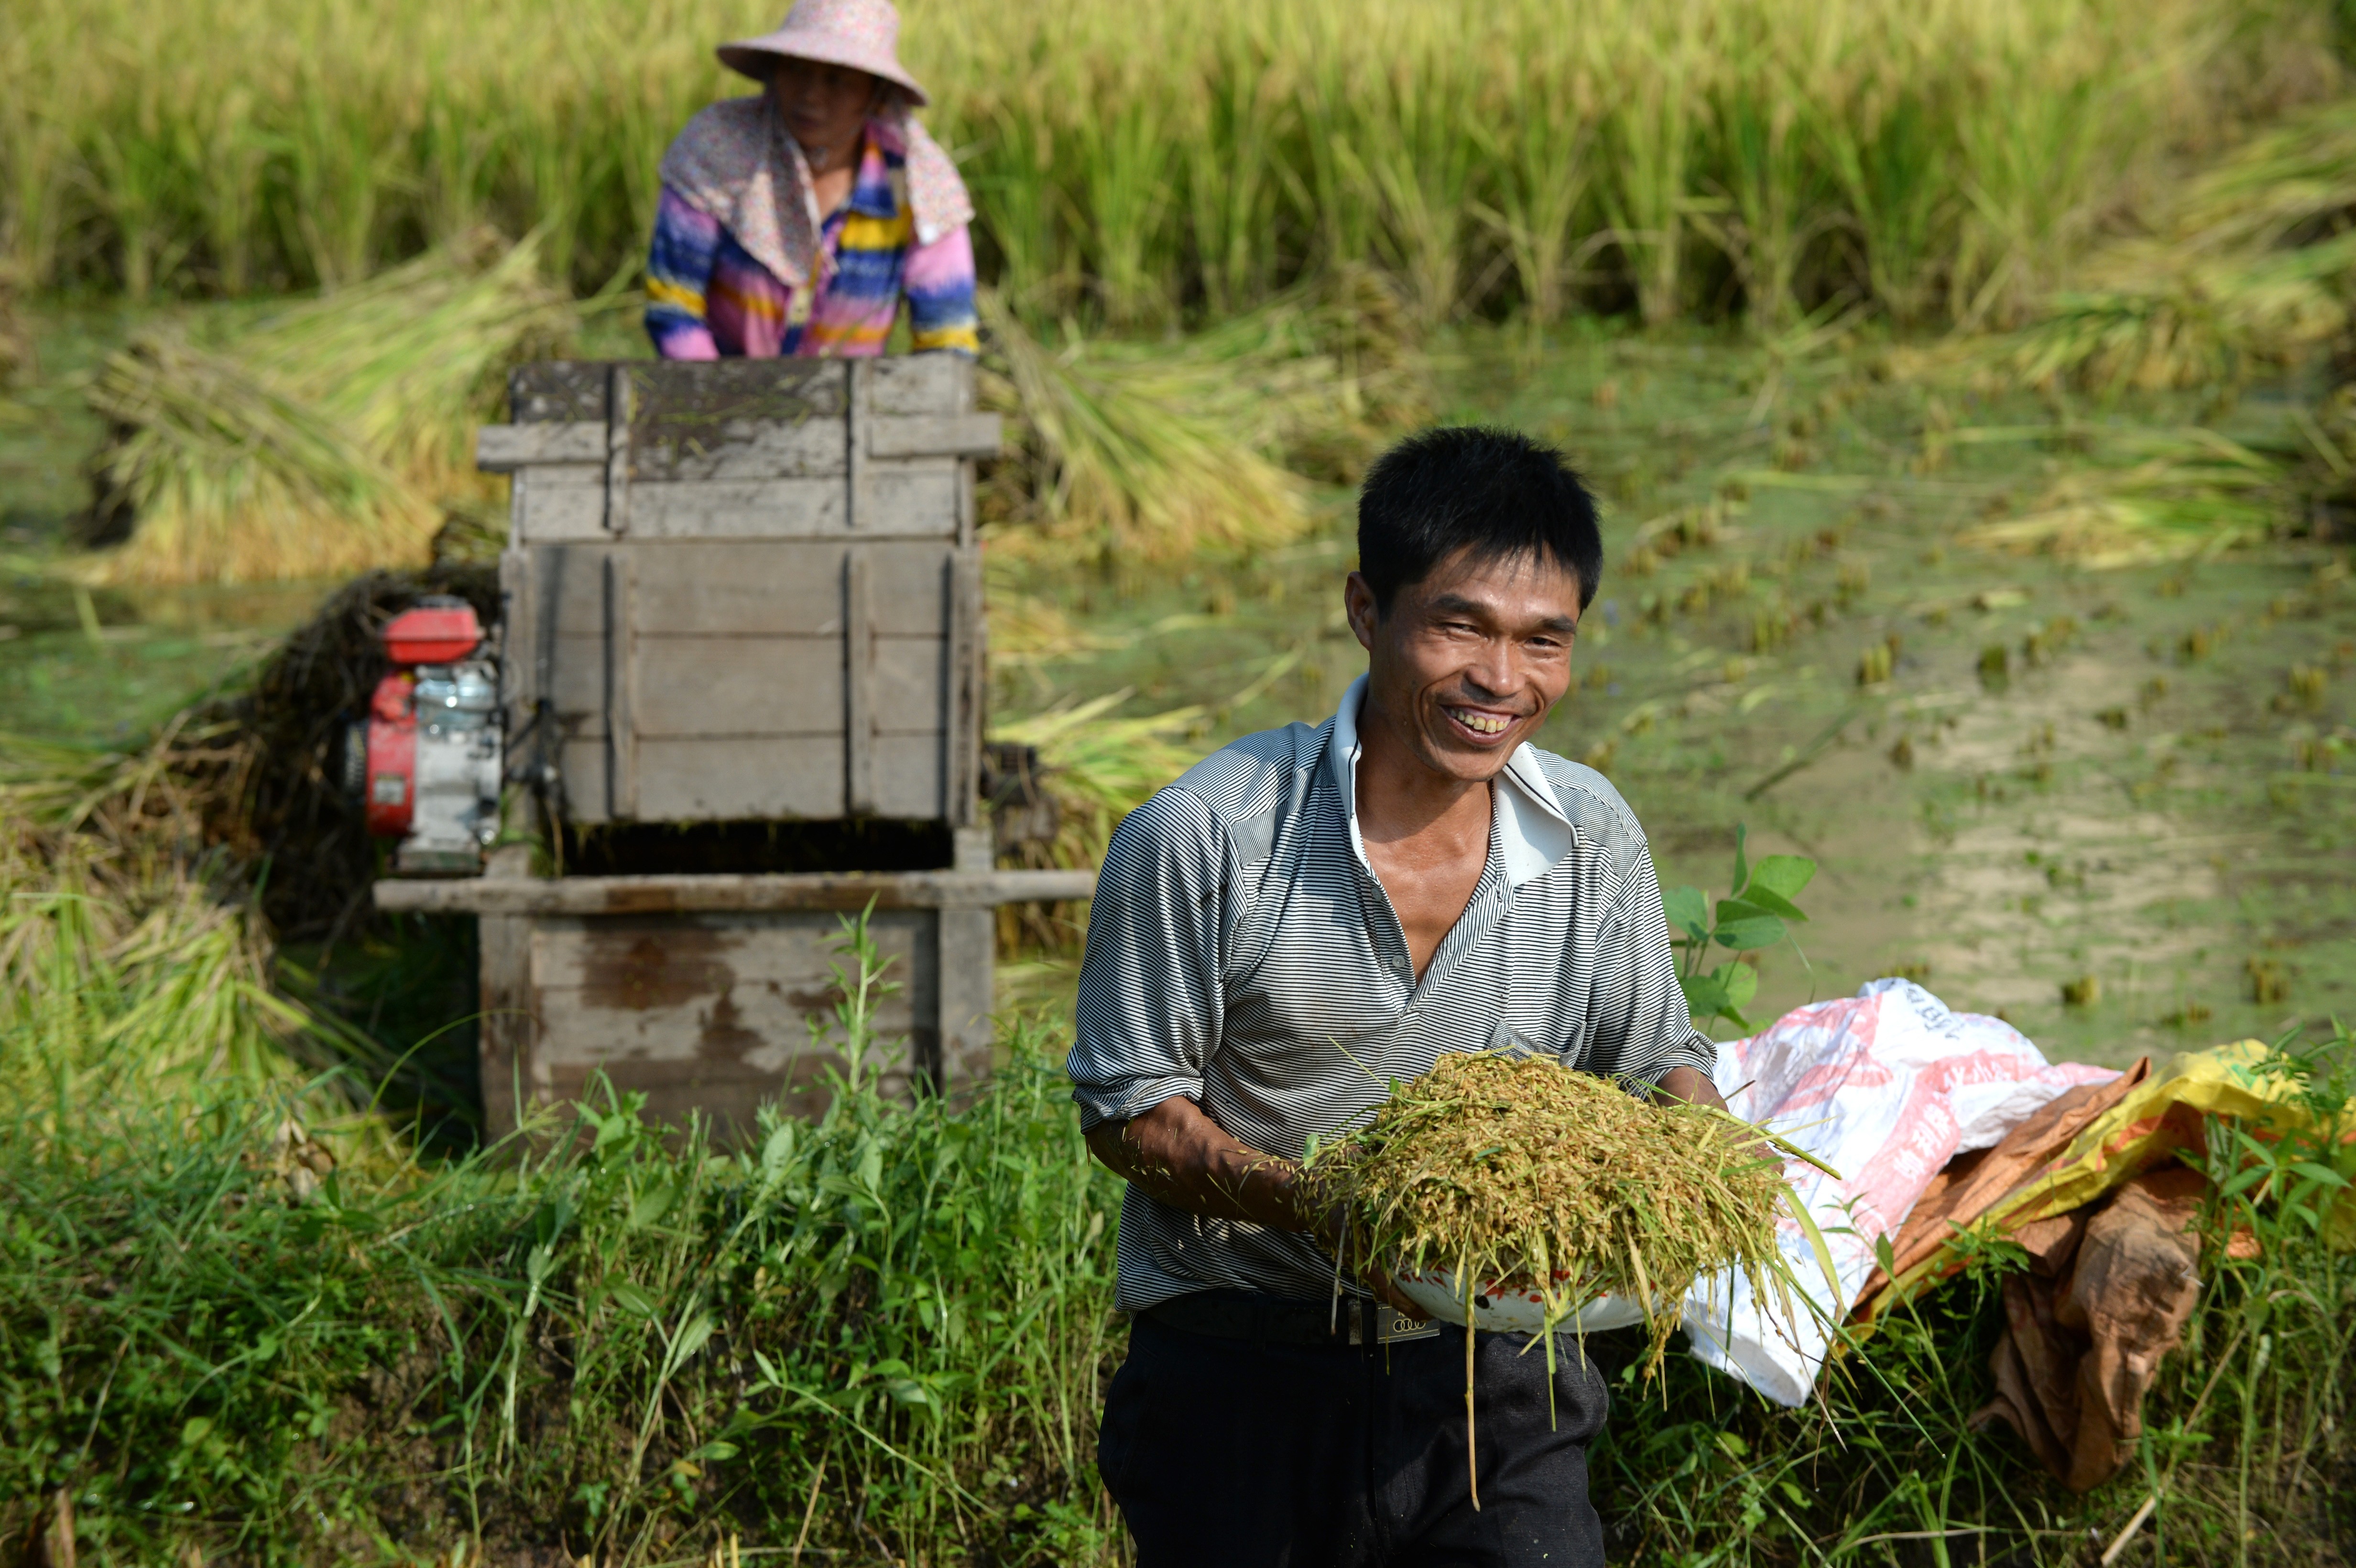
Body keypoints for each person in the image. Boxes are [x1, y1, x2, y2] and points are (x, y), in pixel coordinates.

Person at [1068, 426, 1734, 1567]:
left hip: (1497, 1377)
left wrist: (1713, 1153)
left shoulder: (1592, 835)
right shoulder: (1209, 834)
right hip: (1243, 1370)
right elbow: (1129, 1113)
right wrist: (1325, 1210)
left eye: (1544, 641)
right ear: (1367, 610)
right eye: (1460, 624)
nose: (1502, 680)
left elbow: (1650, 1058)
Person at [644, 0, 978, 359]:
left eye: (837, 79)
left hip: (854, 405)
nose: (811, 96)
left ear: (876, 92)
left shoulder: (918, 184)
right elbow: (674, 306)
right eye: (796, 69)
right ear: (775, 72)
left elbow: (948, 339)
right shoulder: (718, 150)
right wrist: (721, 403)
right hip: (714, 395)